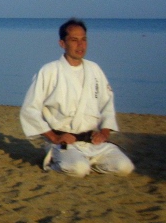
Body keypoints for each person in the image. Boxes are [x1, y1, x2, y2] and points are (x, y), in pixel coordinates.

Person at [19, 19, 134, 177]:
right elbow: (30, 109)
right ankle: (55, 161)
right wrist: (54, 137)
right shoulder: (49, 71)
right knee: (79, 170)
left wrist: (104, 133)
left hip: (92, 141)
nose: (80, 45)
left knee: (124, 167)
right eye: (74, 40)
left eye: (84, 39)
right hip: (65, 142)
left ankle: (88, 162)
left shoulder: (94, 69)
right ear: (62, 43)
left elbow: (107, 104)